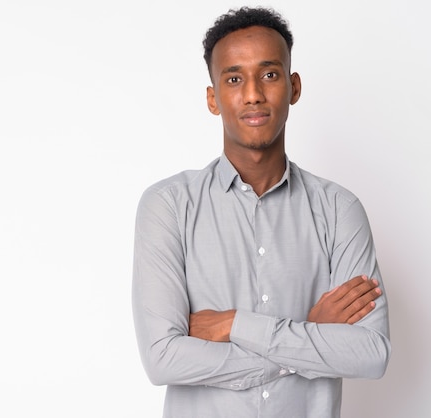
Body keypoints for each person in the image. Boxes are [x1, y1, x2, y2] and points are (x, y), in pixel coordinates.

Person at [131, 6, 390, 418]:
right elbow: (163, 358)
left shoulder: (340, 210)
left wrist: (235, 324)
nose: (253, 93)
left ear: (294, 86)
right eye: (234, 78)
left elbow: (370, 354)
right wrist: (310, 336)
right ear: (213, 99)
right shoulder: (169, 206)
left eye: (269, 74)